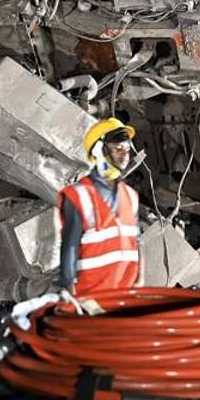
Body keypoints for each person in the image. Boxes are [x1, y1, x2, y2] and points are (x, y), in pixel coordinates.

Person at [57, 118, 141, 295]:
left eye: (126, 148)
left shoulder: (130, 197)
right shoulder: (79, 195)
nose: (125, 154)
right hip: (92, 293)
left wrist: (139, 282)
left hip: (125, 294)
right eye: (117, 148)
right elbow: (70, 246)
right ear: (98, 150)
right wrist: (69, 288)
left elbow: (136, 243)